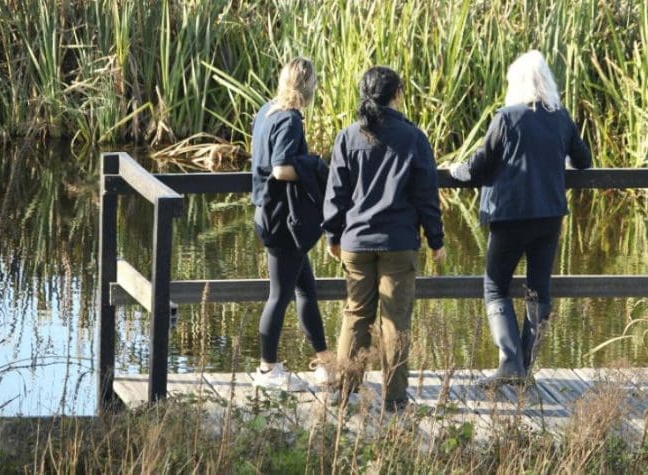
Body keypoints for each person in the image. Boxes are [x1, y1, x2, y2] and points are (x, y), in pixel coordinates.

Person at [450, 50, 592, 387]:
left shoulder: (507, 118)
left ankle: (510, 363)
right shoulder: (561, 117)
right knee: (538, 291)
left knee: (495, 286)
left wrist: (458, 170)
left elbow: (481, 164)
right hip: (549, 215)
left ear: (517, 83)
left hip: (510, 215)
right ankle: (524, 367)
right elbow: (583, 161)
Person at [323, 66, 446, 412]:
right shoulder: (413, 138)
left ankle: (345, 390)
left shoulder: (348, 137)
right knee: (395, 320)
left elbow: (336, 192)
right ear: (397, 95)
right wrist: (436, 239)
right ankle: (394, 398)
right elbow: (426, 195)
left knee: (355, 315)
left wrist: (332, 234)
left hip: (356, 241)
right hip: (399, 242)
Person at [251, 57, 334, 391]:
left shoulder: (266, 111)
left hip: (270, 214)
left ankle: (325, 363)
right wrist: (314, 164)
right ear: (309, 86)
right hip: (282, 221)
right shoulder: (289, 119)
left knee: (305, 291)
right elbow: (281, 168)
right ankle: (267, 370)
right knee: (279, 295)